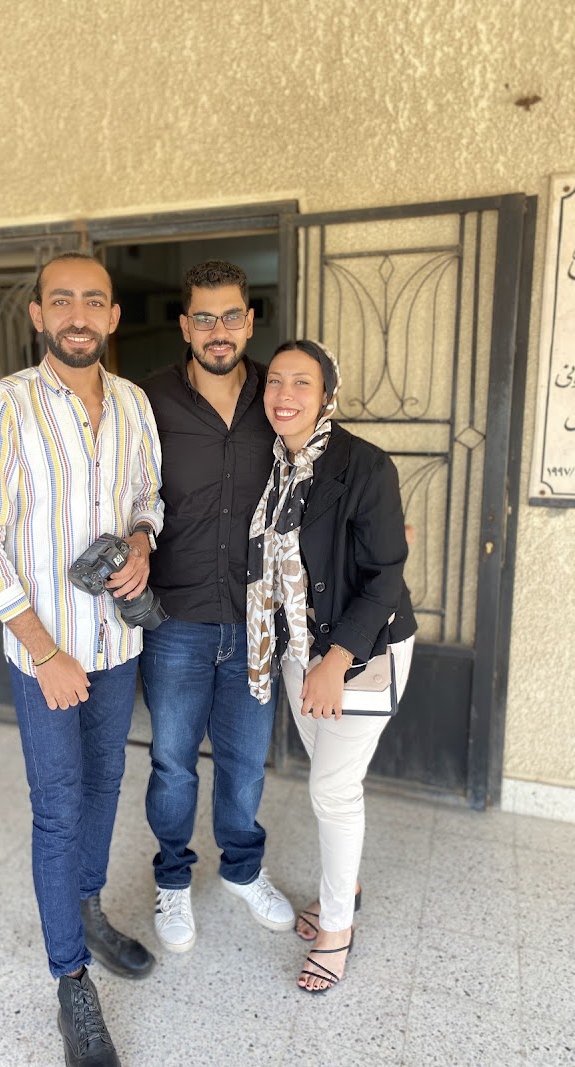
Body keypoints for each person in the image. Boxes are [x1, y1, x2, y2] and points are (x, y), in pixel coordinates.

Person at [0, 252, 163, 1067]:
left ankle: (88, 909)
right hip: (47, 654)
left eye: (94, 301)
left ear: (113, 315)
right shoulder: (3, 406)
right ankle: (71, 978)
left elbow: (149, 497)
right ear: (39, 314)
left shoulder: (134, 403)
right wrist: (44, 649)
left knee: (106, 783)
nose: (79, 314)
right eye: (62, 300)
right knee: (58, 806)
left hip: (118, 642)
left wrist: (141, 540)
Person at [247, 339, 416, 993]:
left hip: (360, 649)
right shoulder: (271, 465)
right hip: (298, 648)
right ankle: (346, 884)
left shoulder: (364, 465)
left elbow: (385, 575)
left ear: (326, 397)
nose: (285, 395)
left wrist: (337, 659)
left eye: (302, 383)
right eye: (275, 381)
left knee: (332, 791)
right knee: (332, 779)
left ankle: (338, 926)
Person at [139, 260, 294, 953]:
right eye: (204, 317)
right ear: (185, 326)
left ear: (250, 321)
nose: (218, 330)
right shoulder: (149, 400)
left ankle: (242, 869)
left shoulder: (277, 396)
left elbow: (323, 469)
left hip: (257, 618)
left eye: (231, 315)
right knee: (173, 761)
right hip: (177, 619)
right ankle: (173, 878)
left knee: (245, 761)